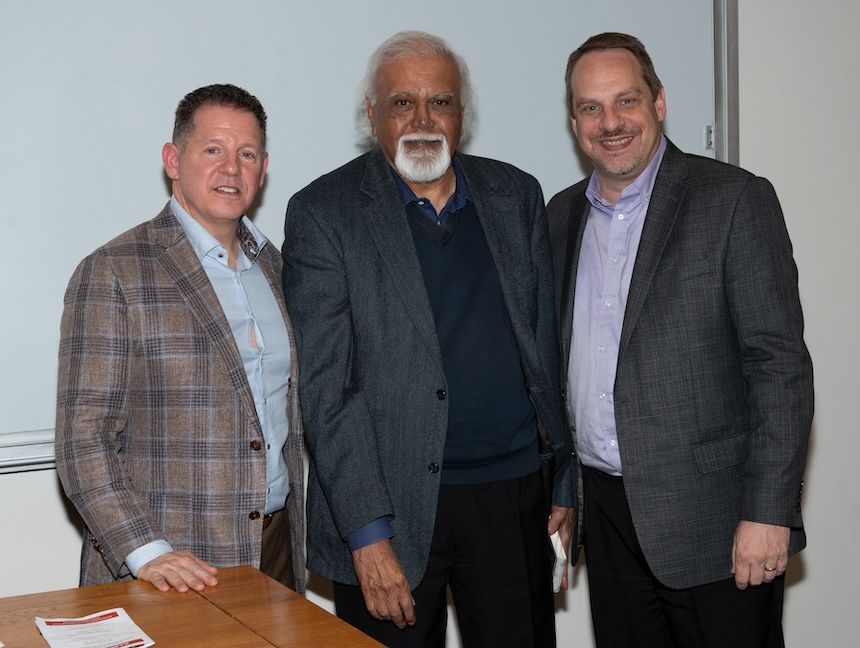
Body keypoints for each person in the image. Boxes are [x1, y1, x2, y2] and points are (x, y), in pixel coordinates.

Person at [282, 31, 574, 647]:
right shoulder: (323, 213)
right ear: (372, 114)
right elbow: (327, 391)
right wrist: (366, 533)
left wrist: (563, 482)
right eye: (400, 103)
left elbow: (547, 350)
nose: (422, 120)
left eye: (440, 102)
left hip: (513, 499)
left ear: (461, 115)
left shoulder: (515, 195)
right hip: (392, 510)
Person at [547, 32, 813, 647]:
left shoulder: (734, 201)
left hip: (717, 524)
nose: (610, 122)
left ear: (659, 102)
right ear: (574, 122)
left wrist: (768, 511)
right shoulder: (560, 217)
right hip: (607, 519)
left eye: (626, 101)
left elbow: (780, 368)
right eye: (591, 108)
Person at [55, 84, 305, 594]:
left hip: (277, 546)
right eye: (213, 149)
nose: (231, 169)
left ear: (263, 168)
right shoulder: (113, 272)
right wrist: (147, 553)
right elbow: (84, 440)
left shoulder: (277, 267)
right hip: (171, 565)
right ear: (173, 159)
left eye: (247, 154)